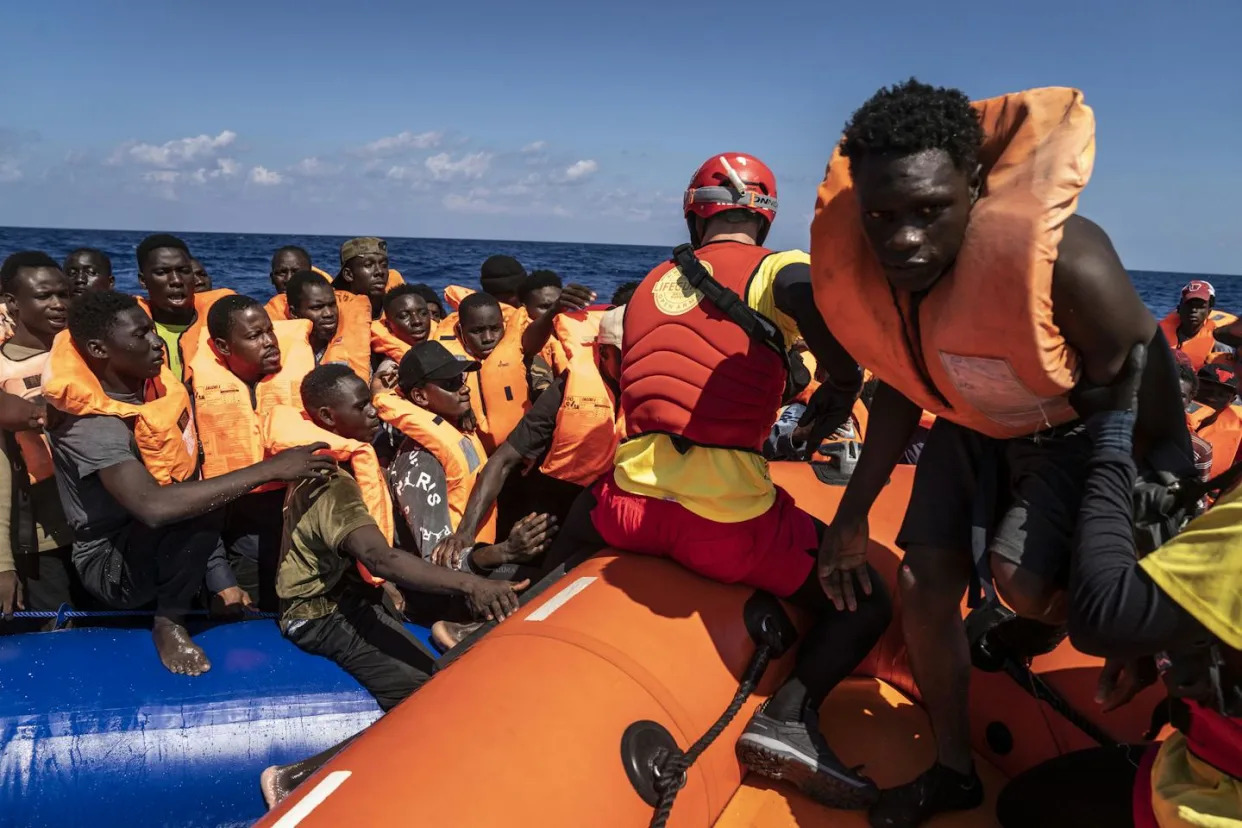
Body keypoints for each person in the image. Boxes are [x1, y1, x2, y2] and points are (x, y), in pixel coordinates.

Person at [808, 81, 1194, 826]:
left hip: (1078, 425)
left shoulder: (1069, 265)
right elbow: (899, 377)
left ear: (975, 184)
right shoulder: (886, 272)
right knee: (923, 580)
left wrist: (1148, 562)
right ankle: (952, 770)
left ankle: (1050, 616)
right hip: (970, 419)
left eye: (930, 212)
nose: (904, 241)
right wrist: (851, 514)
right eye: (882, 218)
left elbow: (1146, 399)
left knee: (1019, 581)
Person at [536, 152, 891, 809]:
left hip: (627, 511)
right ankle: (787, 716)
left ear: (693, 215)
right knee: (868, 600)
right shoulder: (778, 270)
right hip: (724, 529)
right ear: (766, 216)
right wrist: (840, 389)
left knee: (584, 508)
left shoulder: (649, 283)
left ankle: (525, 607)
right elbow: (814, 304)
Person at [995, 343, 1241, 828]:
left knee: (1023, 809)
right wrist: (1158, 640)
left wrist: (1111, 442)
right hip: (1205, 762)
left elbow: (1101, 618)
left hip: (1215, 807)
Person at [43, 290, 332, 675]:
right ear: (98, 349)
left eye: (153, 331)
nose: (157, 342)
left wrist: (219, 578)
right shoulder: (91, 425)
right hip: (110, 563)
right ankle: (169, 623)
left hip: (164, 543)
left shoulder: (155, 389)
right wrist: (270, 469)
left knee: (210, 493)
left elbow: (190, 479)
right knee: (204, 498)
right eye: (141, 335)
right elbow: (154, 506)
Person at [267, 363, 530, 706]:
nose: (373, 411)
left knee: (436, 668)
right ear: (328, 418)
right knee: (424, 692)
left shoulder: (330, 457)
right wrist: (473, 584)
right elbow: (379, 558)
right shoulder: (332, 484)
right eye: (361, 407)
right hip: (319, 616)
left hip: (352, 594)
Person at [433, 306, 624, 575]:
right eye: (626, 355)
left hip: (616, 507)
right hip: (558, 508)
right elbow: (502, 461)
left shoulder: (660, 386)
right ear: (604, 353)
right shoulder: (568, 388)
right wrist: (465, 533)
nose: (636, 363)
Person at [190, 295, 317, 610]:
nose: (270, 342)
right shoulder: (198, 402)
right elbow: (196, 500)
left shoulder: (306, 388)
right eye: (254, 336)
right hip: (242, 552)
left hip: (304, 549)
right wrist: (220, 576)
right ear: (222, 347)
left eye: (270, 331)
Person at [0, 253, 79, 628]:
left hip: (100, 525)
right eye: (44, 296)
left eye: (64, 294)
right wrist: (3, 563)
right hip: (43, 537)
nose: (58, 304)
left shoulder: (89, 355)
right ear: (12, 302)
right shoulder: (4, 370)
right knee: (57, 631)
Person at [440, 292, 531, 455]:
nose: (488, 338)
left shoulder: (523, 353)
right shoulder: (443, 363)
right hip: (472, 454)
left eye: (495, 328)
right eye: (477, 331)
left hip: (518, 452)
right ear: (461, 330)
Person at [133, 233, 232, 381]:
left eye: (184, 271)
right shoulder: (127, 331)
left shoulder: (224, 320)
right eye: (162, 273)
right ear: (143, 281)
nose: (176, 280)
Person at [285, 269, 371, 379]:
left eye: (332, 305)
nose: (329, 313)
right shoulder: (280, 355)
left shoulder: (361, 347)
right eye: (317, 307)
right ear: (294, 313)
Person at [1185, 362, 1242, 480]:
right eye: (1206, 390)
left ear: (1232, 400)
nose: (1211, 397)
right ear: (1193, 388)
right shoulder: (1170, 411)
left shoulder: (1239, 431)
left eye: (1221, 395)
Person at [1158, 280, 1230, 372]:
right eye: (1189, 305)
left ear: (1209, 311)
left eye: (1200, 306)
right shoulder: (1157, 336)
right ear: (1179, 308)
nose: (1194, 310)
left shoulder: (1219, 345)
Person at [337, 237, 400, 320]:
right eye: (368, 265)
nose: (380, 271)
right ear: (349, 274)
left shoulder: (400, 307)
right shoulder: (335, 313)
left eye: (384, 265)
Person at [1175, 352, 1215, 483]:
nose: (1172, 398)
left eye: (1180, 395)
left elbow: (1196, 497)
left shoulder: (1200, 449)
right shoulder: (1122, 426)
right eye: (1167, 390)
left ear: (1190, 400)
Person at [370, 285, 432, 364]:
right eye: (404, 316)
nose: (417, 321)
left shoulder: (442, 345)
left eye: (423, 313)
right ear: (389, 326)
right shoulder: (391, 369)